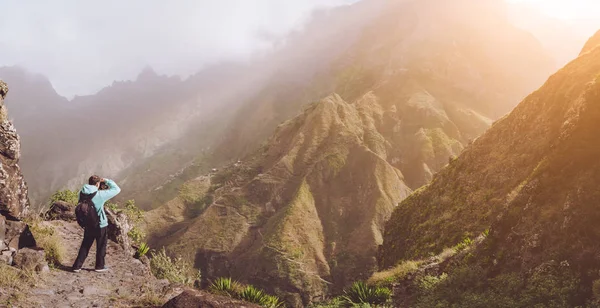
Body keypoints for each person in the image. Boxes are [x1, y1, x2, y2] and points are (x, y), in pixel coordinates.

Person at [72, 175, 121, 272]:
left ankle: (77, 266)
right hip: (100, 224)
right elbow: (117, 189)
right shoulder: (99, 195)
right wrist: (106, 180)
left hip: (88, 224)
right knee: (101, 245)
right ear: (98, 183)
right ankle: (99, 266)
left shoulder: (81, 193)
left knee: (85, 245)